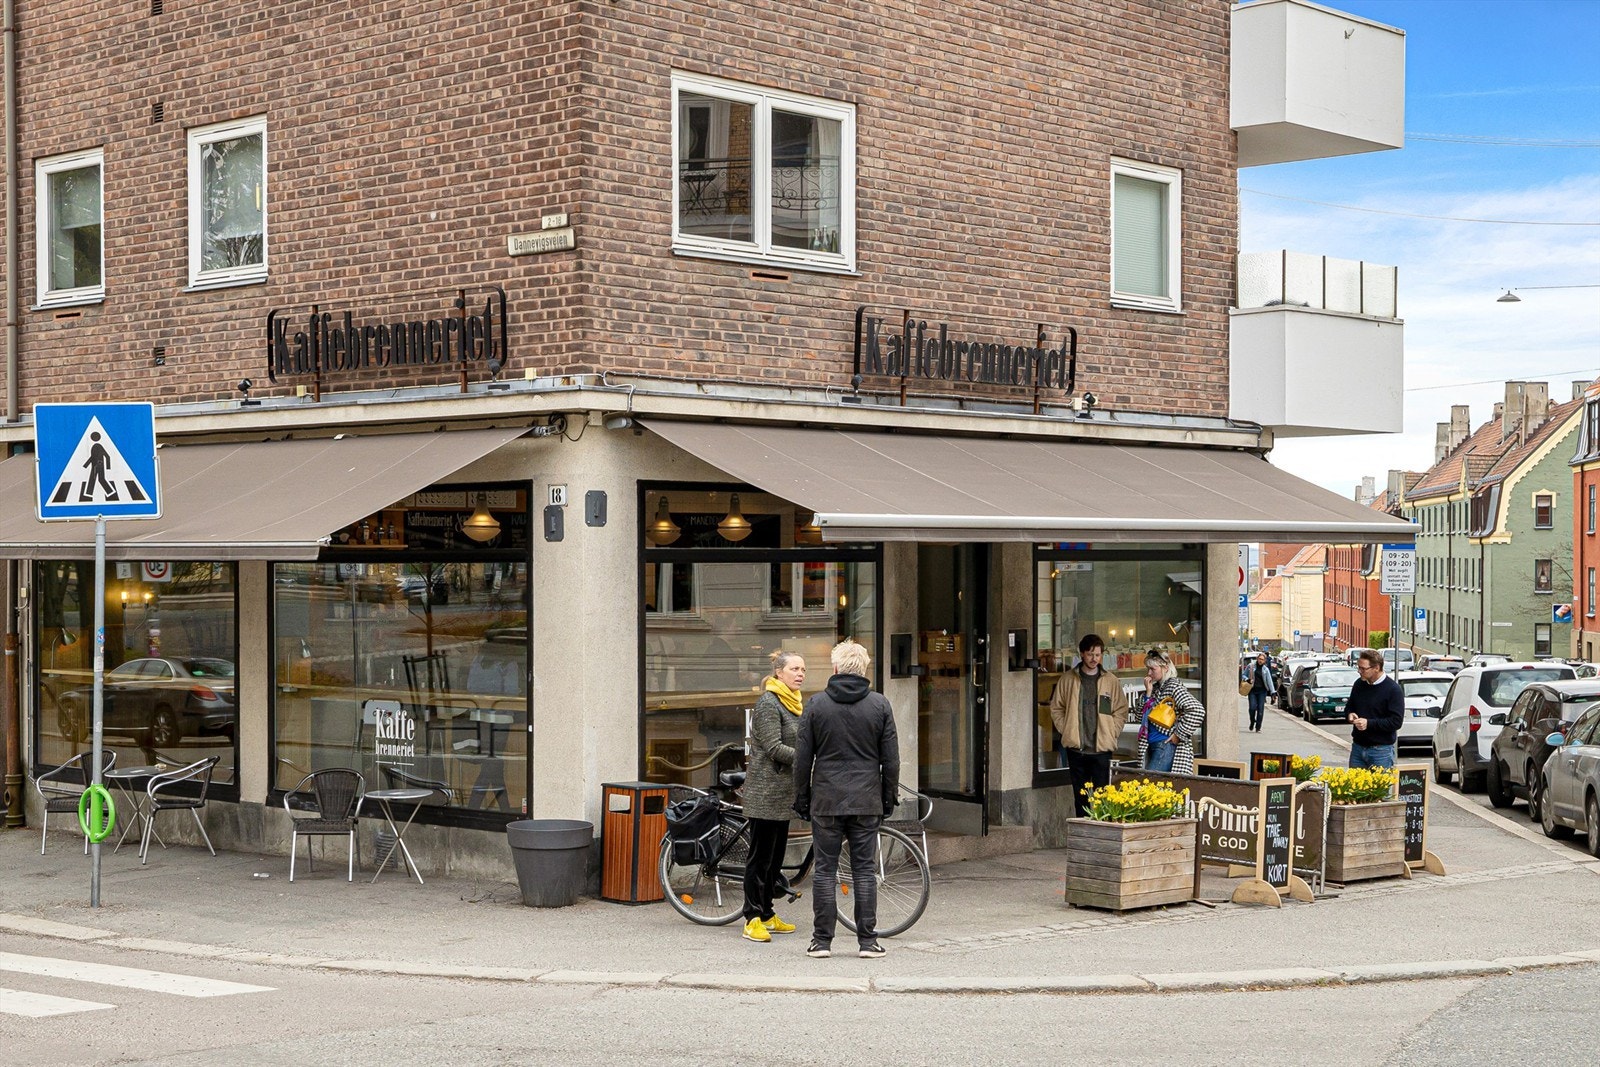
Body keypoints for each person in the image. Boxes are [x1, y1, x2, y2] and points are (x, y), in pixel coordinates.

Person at [793, 639, 899, 960]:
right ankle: (868, 942)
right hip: (867, 800)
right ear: (863, 668)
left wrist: (802, 798)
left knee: (825, 870)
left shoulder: (816, 705)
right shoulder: (879, 705)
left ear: (835, 668)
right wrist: (888, 798)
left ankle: (821, 941)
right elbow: (890, 760)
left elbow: (802, 759)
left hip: (826, 799)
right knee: (864, 871)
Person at [740, 650, 807, 944]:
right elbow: (774, 748)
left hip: (783, 793)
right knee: (760, 859)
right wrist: (808, 759)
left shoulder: (793, 703)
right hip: (766, 793)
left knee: (774, 859)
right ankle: (752, 918)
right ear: (779, 672)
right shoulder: (769, 703)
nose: (800, 673)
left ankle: (767, 914)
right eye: (794, 668)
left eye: (803, 669)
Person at [1049, 634, 1130, 817]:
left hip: (1102, 749)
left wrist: (1113, 731)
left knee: (1103, 797)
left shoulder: (1110, 680)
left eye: (1098, 655)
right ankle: (1083, 836)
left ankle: (1101, 835)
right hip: (1077, 749)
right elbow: (1056, 708)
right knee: (1081, 797)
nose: (1094, 659)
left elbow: (1120, 710)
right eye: (1090, 654)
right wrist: (1066, 729)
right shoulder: (1068, 679)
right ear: (1082, 654)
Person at [1137, 649, 1206, 775]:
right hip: (1152, 745)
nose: (1149, 673)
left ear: (1166, 668)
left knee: (1149, 785)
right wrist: (1147, 694)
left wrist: (1178, 735)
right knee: (1153, 787)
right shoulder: (1155, 688)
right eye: (1148, 669)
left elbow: (1197, 710)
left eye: (1153, 669)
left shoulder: (1173, 686)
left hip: (1165, 745)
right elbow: (1139, 718)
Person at [1345, 648, 1404, 769]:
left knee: (1379, 788)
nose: (1359, 671)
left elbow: (1396, 722)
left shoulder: (1393, 689)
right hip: (1358, 747)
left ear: (1376, 668)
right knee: (1354, 788)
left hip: (1381, 750)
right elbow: (1349, 706)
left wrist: (1369, 723)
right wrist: (1350, 714)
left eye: (1363, 668)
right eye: (1358, 667)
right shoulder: (1359, 684)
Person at [1244, 652, 1275, 732]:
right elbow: (1243, 675)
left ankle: (1258, 727)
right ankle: (1252, 721)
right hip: (1252, 691)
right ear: (1257, 659)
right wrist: (1247, 679)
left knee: (1260, 709)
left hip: (1262, 691)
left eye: (1262, 659)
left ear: (1265, 661)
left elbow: (1269, 681)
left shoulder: (1266, 670)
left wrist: (1273, 692)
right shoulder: (1250, 666)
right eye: (1259, 659)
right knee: (1252, 708)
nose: (1260, 661)